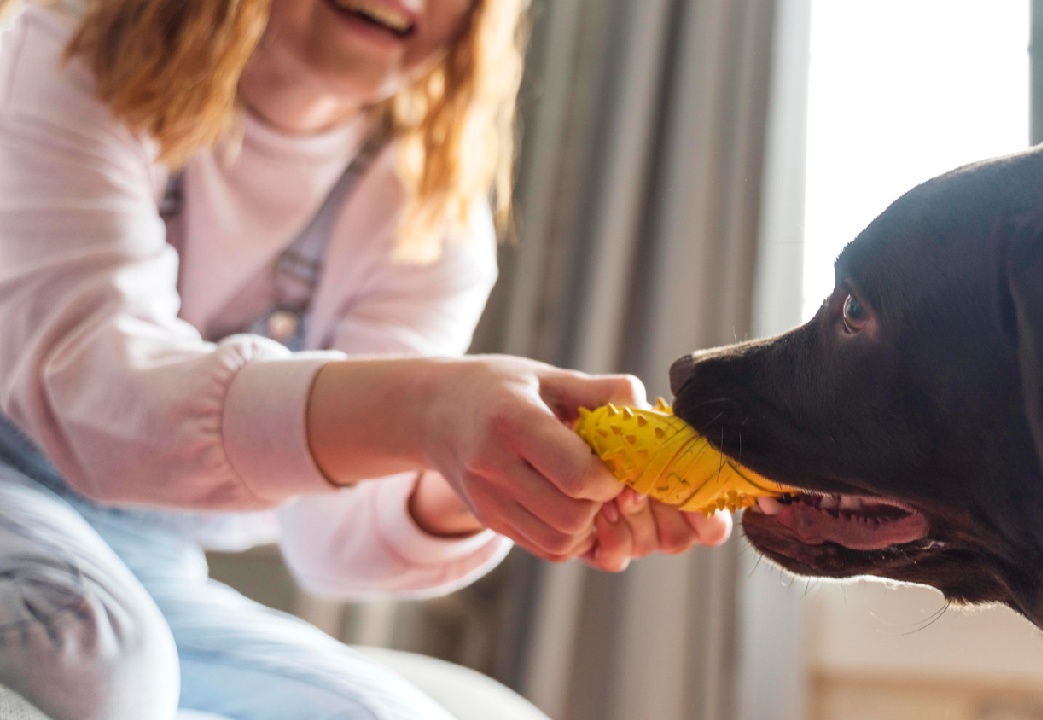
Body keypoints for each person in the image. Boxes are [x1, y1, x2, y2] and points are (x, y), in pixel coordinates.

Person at [0, 1, 732, 718]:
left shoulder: (425, 210)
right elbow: (95, 402)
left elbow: (328, 536)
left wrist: (476, 473)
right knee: (91, 657)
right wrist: (425, 408)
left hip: (148, 561)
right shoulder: (75, 49)